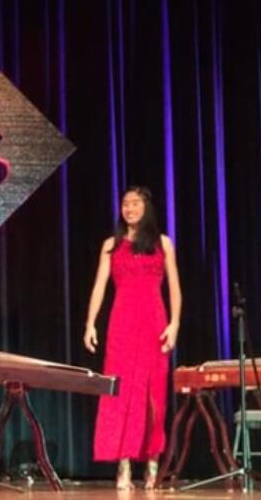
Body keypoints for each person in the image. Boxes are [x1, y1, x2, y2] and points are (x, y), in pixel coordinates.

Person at [83, 186, 181, 491]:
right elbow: (99, 286)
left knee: (154, 394)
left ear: (146, 208)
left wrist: (175, 324)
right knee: (121, 393)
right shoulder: (111, 246)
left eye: (135, 203)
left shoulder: (163, 244)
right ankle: (123, 464)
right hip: (122, 322)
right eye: (125, 204)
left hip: (153, 322)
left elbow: (175, 288)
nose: (129, 208)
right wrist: (90, 324)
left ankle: (152, 463)